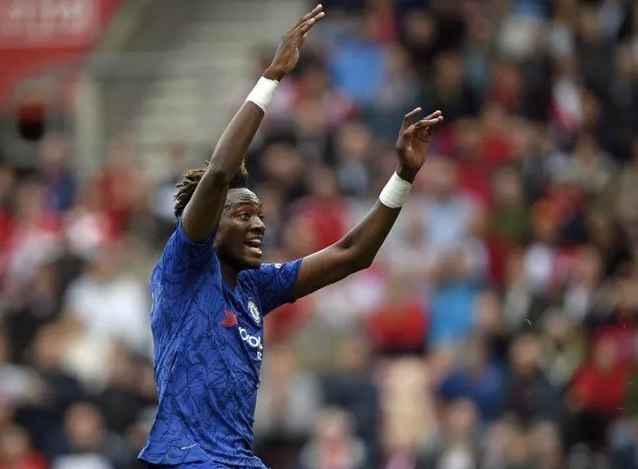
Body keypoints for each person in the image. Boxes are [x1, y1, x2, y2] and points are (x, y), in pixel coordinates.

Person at [138, 4, 444, 468]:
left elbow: (352, 254)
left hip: (236, 459)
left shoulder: (255, 286)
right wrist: (273, 76)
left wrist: (403, 175)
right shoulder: (185, 267)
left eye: (261, 215)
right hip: (184, 460)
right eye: (244, 214)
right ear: (211, 221)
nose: (260, 224)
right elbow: (219, 172)